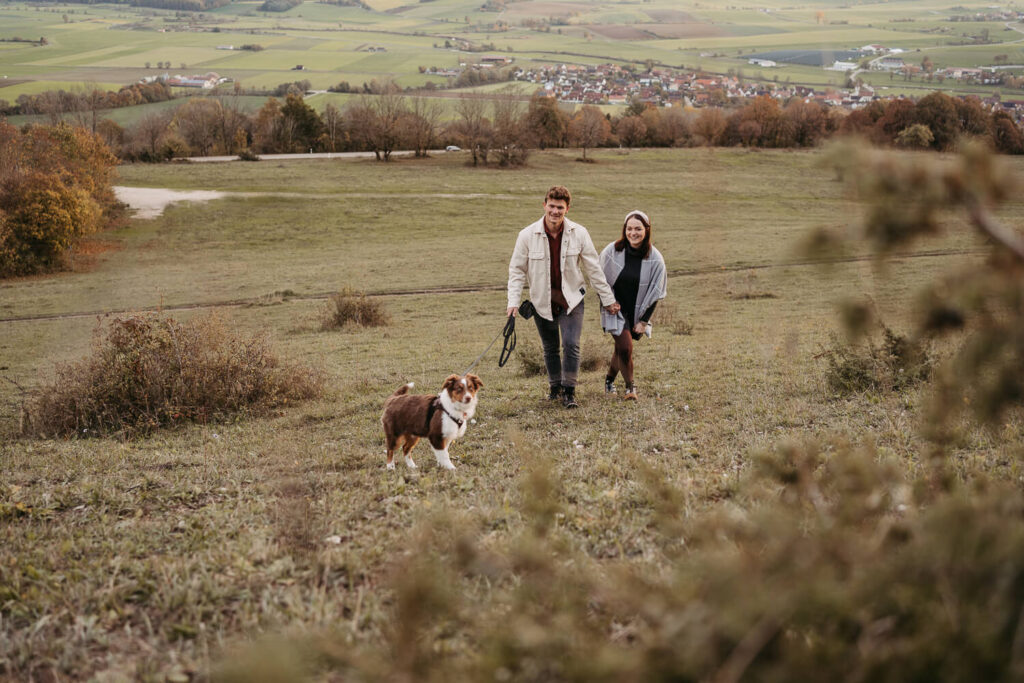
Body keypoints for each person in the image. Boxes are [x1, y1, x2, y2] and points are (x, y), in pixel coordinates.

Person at [507, 186, 620, 408]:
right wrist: (513, 302)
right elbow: (517, 271)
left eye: (560, 207)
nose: (555, 211)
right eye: (551, 206)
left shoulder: (580, 233)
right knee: (550, 347)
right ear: (544, 205)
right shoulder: (527, 235)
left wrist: (607, 299)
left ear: (567, 209)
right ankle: (554, 388)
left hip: (571, 300)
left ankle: (569, 391)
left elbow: (593, 268)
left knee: (571, 344)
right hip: (541, 301)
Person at [599, 210, 667, 400]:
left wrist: (644, 321)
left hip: (637, 311)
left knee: (620, 349)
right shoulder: (612, 251)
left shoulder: (655, 259)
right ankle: (630, 388)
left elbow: (656, 293)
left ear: (646, 230)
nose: (633, 233)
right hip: (613, 308)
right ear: (624, 230)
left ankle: (609, 381)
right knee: (626, 348)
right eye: (629, 229)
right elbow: (598, 279)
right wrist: (608, 302)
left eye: (638, 228)